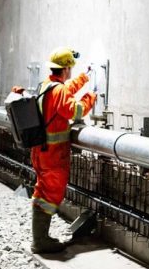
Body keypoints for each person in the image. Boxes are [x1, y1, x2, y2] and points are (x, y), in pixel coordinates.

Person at [21, 47, 97, 253]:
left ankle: (40, 238)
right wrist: (91, 97)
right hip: (54, 155)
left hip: (41, 151)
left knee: (42, 191)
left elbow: (65, 90)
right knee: (50, 195)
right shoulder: (59, 90)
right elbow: (74, 109)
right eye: (71, 69)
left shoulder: (48, 86)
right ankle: (40, 241)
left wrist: (84, 78)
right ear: (66, 69)